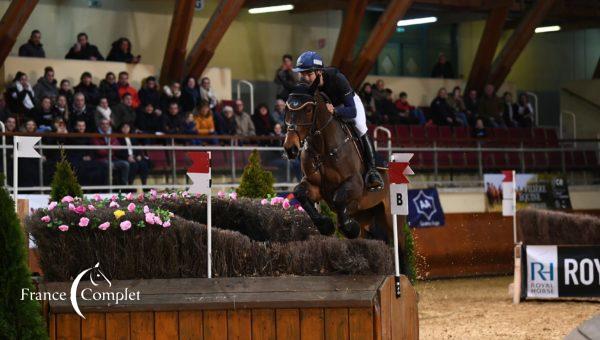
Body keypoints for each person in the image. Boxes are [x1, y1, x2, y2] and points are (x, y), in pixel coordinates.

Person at [293, 51, 384, 191]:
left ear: (319, 72)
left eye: (308, 74)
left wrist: (336, 111)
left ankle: (372, 171)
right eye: (302, 74)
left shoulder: (337, 78)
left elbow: (352, 111)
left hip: (348, 104)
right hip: (327, 109)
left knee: (360, 126)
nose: (305, 78)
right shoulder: (307, 85)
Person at [67, 119, 108, 186]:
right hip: (76, 159)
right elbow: (71, 152)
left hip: (88, 159)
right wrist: (82, 157)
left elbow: (92, 150)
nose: (81, 127)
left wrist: (90, 156)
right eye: (79, 126)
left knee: (103, 166)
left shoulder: (88, 136)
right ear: (76, 127)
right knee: (80, 168)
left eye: (83, 126)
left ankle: (100, 189)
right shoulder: (71, 137)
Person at [92, 119, 129, 185]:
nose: (105, 126)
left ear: (109, 125)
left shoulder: (112, 134)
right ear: (100, 125)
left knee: (125, 164)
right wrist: (110, 151)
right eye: (103, 124)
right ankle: (107, 189)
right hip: (101, 160)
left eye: (107, 124)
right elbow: (100, 151)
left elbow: (118, 146)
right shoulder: (96, 135)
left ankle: (124, 187)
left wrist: (109, 149)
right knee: (108, 165)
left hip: (113, 159)